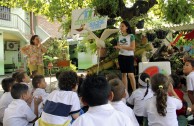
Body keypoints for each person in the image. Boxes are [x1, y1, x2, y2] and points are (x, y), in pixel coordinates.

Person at [114, 20, 136, 91]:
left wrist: (121, 47)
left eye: (122, 26)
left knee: (130, 74)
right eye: (120, 26)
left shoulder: (131, 36)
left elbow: (132, 48)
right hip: (121, 56)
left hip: (129, 57)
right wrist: (117, 48)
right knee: (123, 74)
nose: (121, 27)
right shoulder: (118, 36)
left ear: (127, 27)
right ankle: (125, 92)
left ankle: (134, 91)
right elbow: (119, 47)